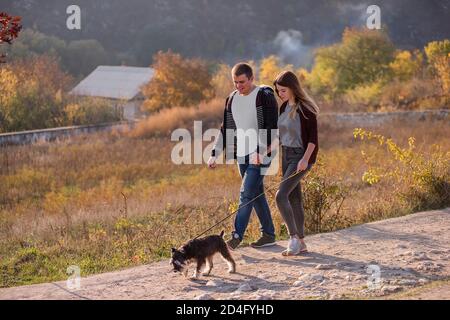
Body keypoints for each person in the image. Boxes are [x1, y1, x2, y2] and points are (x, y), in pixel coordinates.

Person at [207, 62, 278, 250]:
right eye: (235, 82)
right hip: (241, 152)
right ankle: (269, 234)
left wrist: (260, 150)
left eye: (242, 82)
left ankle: (236, 236)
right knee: (255, 193)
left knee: (246, 193)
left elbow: (271, 127)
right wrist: (215, 153)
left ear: (251, 78)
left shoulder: (264, 96)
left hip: (262, 152)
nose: (239, 86)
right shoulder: (231, 99)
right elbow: (226, 129)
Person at [273, 70, 319, 256]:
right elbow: (281, 136)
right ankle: (301, 242)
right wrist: (265, 151)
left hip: (301, 156)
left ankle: (292, 238)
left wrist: (305, 160)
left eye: (283, 90)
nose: (280, 94)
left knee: (280, 195)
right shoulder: (283, 108)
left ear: (292, 88)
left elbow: (313, 140)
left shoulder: (306, 109)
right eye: (278, 91)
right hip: (286, 156)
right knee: (294, 198)